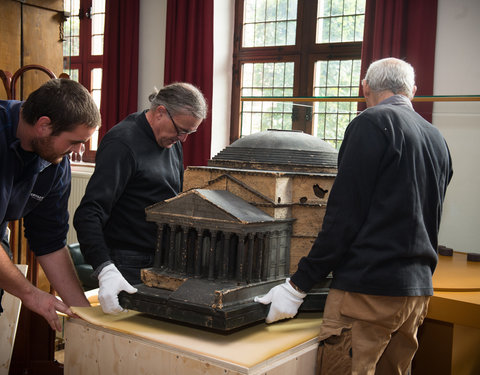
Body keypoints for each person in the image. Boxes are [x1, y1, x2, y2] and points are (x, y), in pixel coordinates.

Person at [255, 58, 453, 374]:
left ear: (365, 88)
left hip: (368, 291)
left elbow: (344, 217)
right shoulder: (436, 138)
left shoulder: (371, 123)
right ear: (412, 91)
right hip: (416, 293)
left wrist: (297, 286)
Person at [74, 82, 208, 315]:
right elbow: (89, 212)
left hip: (162, 258)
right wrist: (105, 268)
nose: (183, 139)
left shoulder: (170, 140)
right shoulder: (122, 143)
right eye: (181, 130)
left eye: (189, 132)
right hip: (128, 261)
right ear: (160, 112)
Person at [1, 78, 101, 331]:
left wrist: (84, 315)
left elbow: (50, 241)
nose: (78, 150)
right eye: (74, 142)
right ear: (44, 125)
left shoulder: (55, 163)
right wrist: (31, 294)